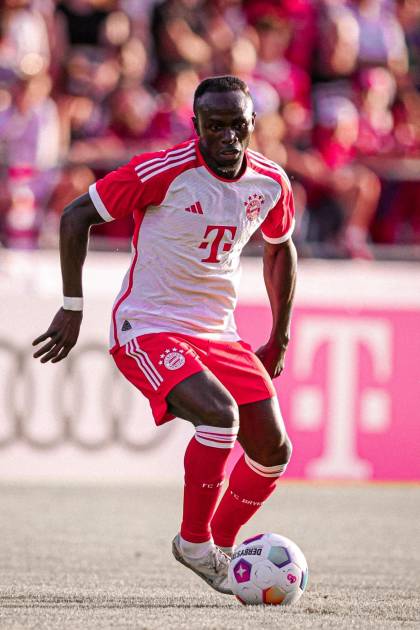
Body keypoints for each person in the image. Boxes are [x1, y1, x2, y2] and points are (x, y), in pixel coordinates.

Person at [32, 76, 297, 595]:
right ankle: (194, 544)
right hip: (149, 326)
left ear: (253, 124)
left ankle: (221, 549)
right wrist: (72, 306)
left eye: (237, 125)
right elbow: (75, 216)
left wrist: (279, 335)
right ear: (196, 125)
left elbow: (279, 248)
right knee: (219, 417)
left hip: (219, 333)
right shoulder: (163, 171)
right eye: (214, 126)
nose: (227, 137)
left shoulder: (270, 182)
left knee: (273, 451)